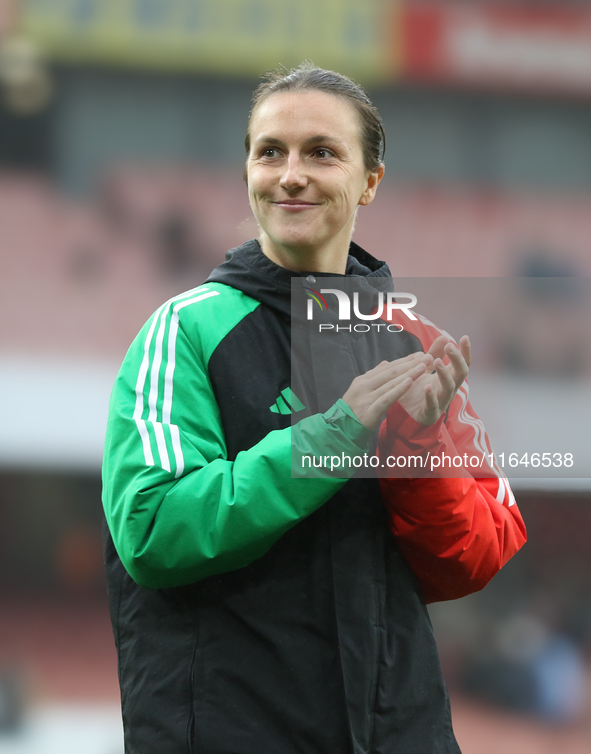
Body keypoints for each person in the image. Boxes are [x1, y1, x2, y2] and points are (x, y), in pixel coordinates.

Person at [102, 62, 526, 754]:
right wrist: (332, 436)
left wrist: (412, 446)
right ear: (248, 170)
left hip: (399, 733)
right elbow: (151, 529)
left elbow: (474, 557)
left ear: (369, 181)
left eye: (321, 152)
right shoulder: (185, 330)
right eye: (270, 152)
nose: (290, 174)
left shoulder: (416, 346)